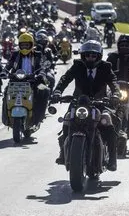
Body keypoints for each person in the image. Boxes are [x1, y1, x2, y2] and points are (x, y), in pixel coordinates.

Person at [51, 40, 122, 171]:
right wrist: (57, 91)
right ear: (83, 56)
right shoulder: (77, 66)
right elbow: (65, 79)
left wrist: (116, 95)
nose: (90, 58)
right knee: (67, 121)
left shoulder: (105, 67)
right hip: (79, 103)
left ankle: (112, 159)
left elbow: (114, 82)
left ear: (98, 56)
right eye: (87, 55)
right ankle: (63, 152)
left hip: (100, 103)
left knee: (108, 122)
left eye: (93, 55)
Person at [5, 32, 50, 125]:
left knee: (45, 91)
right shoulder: (15, 54)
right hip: (16, 80)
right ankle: (6, 118)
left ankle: (39, 116)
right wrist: (4, 71)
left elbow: (42, 65)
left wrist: (41, 74)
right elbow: (9, 64)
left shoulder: (38, 54)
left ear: (32, 44)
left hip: (34, 80)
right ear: (19, 45)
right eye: (22, 45)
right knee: (6, 92)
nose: (25, 47)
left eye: (27, 45)